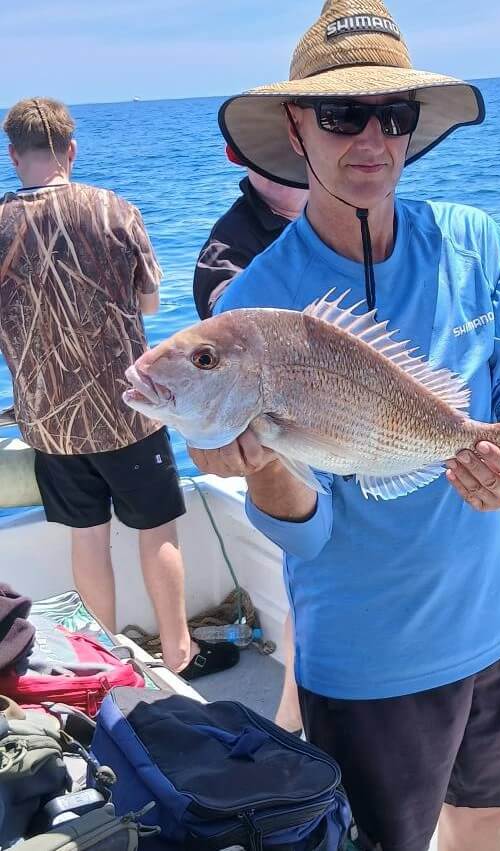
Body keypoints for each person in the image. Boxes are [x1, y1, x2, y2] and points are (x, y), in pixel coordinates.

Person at [191, 2, 500, 848]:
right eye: (341, 114)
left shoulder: (474, 241)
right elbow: (311, 534)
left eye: (393, 114)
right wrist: (263, 464)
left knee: (487, 821)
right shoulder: (255, 306)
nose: (371, 139)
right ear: (296, 126)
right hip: (369, 661)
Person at [0, 98, 237, 681]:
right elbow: (151, 304)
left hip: (50, 421)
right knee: (158, 532)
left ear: (13, 155)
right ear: (71, 149)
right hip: (131, 411)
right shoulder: (113, 209)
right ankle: (179, 655)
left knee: (87, 539)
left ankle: (105, 667)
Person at [193, 156, 308, 728]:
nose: (290, 165)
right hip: (293, 448)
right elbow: (220, 338)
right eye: (270, 154)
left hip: (349, 428)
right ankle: (291, 720)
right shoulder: (228, 248)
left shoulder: (342, 214)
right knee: (311, 581)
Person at [192, 149, 308, 319]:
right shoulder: (229, 239)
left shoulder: (344, 210)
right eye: (265, 155)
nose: (280, 165)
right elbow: (226, 315)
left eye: (293, 152)